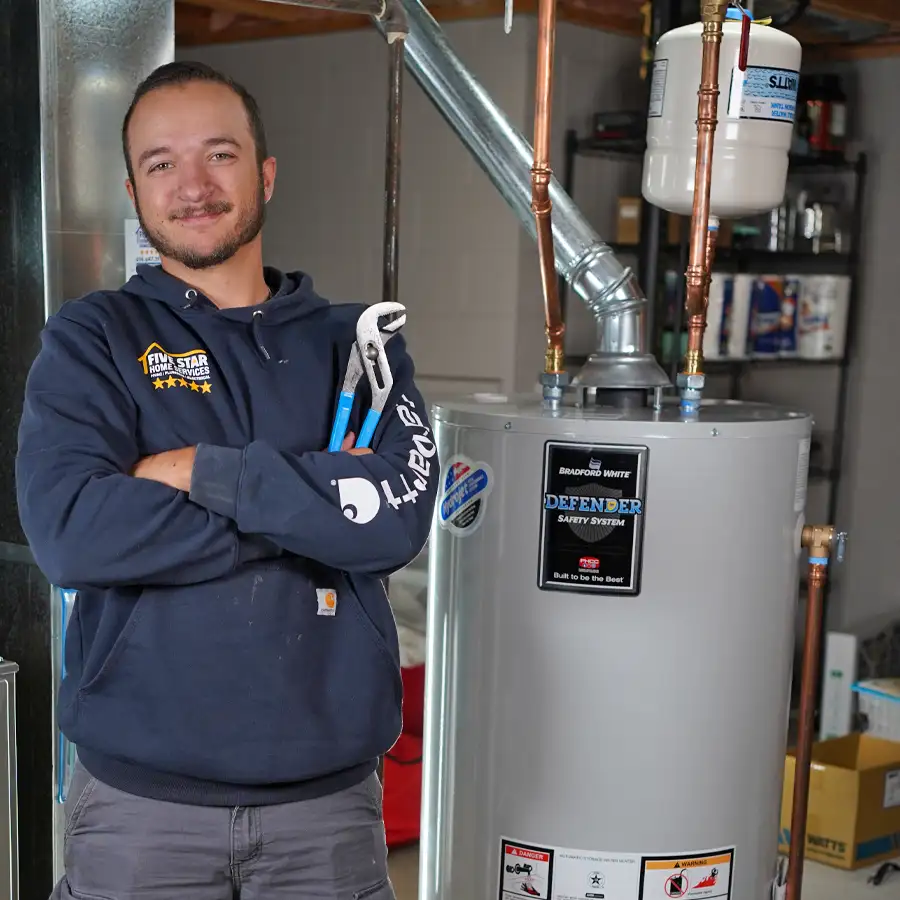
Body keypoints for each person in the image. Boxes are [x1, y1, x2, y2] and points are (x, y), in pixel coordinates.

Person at [16, 60, 439, 899]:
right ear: (134, 188)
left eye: (221, 155)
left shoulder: (359, 347)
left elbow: (394, 524)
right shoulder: (92, 339)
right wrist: (309, 510)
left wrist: (203, 473)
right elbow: (71, 532)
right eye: (161, 163)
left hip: (324, 814)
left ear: (266, 172)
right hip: (141, 812)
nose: (193, 186)